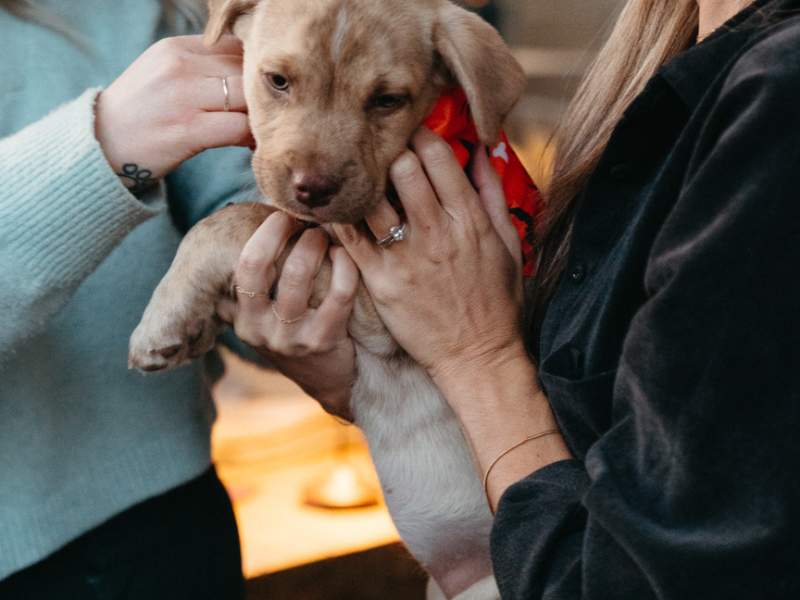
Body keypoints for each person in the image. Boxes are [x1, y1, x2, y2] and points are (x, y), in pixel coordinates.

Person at [222, 0, 800, 598]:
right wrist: (368, 386)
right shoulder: (674, 55)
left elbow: (633, 578)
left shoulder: (779, 93)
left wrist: (477, 355)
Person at [0, 1, 259, 597]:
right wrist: (105, 141)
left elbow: (237, 202)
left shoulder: (146, 7)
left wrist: (283, 293)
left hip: (175, 526)